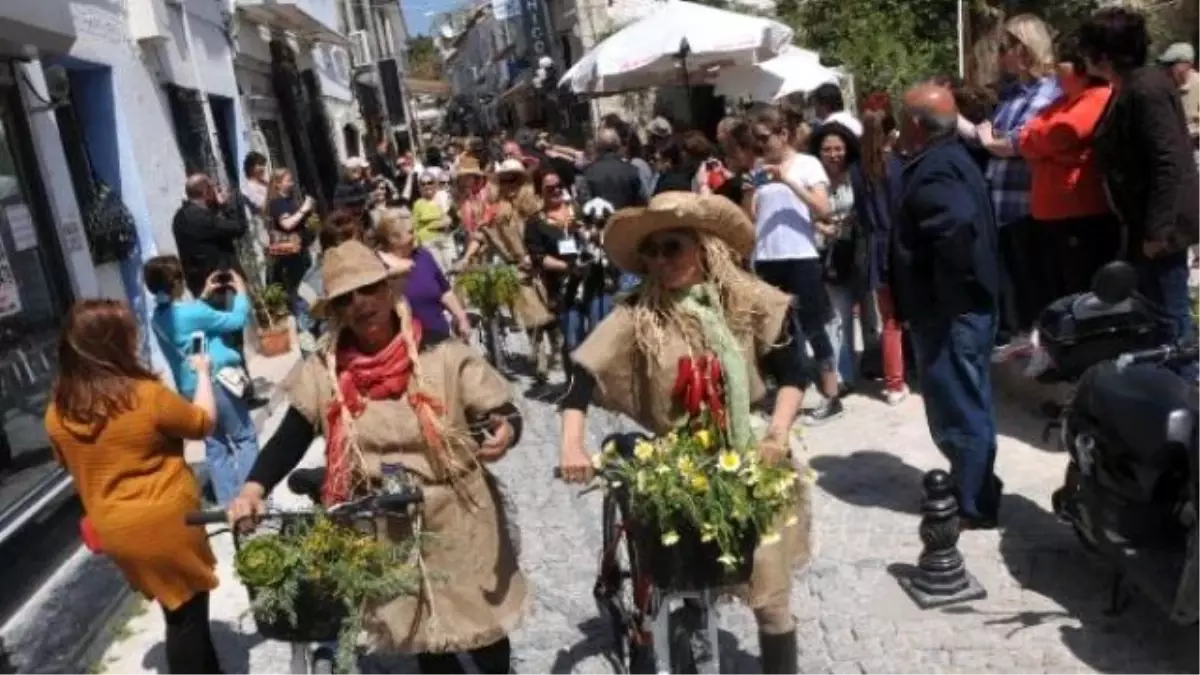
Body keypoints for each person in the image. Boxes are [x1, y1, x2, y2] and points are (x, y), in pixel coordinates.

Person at [226, 241, 526, 673]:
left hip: (457, 510)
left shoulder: (439, 352)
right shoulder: (326, 370)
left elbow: (499, 409)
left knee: (484, 630)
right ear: (335, 311)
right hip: (387, 521)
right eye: (345, 298)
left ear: (389, 291)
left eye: (367, 289)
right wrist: (254, 488)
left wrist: (507, 429)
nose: (360, 304)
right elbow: (292, 432)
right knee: (425, 635)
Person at [557, 192, 811, 675]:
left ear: (704, 247)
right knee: (672, 578)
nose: (658, 261)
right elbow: (580, 376)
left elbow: (794, 372)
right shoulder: (639, 313)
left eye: (670, 247)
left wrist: (776, 436)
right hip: (675, 458)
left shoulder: (750, 301)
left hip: (753, 452)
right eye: (650, 253)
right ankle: (666, 625)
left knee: (771, 596)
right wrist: (572, 443)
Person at [46, 300, 223, 675]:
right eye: (128, 332)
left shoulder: (57, 412)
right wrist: (203, 373)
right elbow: (202, 423)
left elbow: (70, 462)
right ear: (113, 344)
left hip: (117, 530)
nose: (136, 337)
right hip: (166, 520)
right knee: (186, 619)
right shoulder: (144, 395)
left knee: (177, 607)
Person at [892, 84, 1002, 528]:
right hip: (961, 308)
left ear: (916, 124)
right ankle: (978, 489)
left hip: (950, 312)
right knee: (970, 402)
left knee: (958, 408)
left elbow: (953, 230)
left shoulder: (936, 169)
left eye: (904, 117)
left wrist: (939, 296)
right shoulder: (952, 158)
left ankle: (972, 501)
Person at [1081, 7, 1200, 344]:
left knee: (1167, 315)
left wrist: (1157, 233)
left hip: (1161, 229)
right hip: (1139, 223)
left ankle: (1179, 387)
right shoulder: (1127, 88)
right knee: (1152, 313)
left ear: (1102, 54)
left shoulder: (1146, 89)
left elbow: (1169, 161)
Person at [733, 109, 844, 423]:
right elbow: (748, 220)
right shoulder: (758, 168)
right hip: (767, 256)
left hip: (800, 255)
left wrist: (788, 181)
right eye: (755, 141)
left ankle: (831, 396)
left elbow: (822, 208)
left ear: (783, 134)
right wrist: (749, 190)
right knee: (776, 331)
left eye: (764, 139)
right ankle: (788, 394)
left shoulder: (807, 164)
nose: (760, 146)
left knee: (814, 325)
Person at [971, 14, 1061, 353]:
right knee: (1013, 283)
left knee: (1032, 283)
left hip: (1027, 203)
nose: (1000, 55)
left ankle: (1041, 347)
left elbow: (1022, 141)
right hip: (1002, 203)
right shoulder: (1012, 96)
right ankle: (1024, 341)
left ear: (1025, 50)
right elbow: (995, 140)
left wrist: (994, 143)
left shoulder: (1047, 92)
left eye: (1005, 47)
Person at [145, 257, 258, 507]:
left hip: (189, 387)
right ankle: (250, 500)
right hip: (215, 380)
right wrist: (240, 292)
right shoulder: (192, 312)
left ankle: (229, 504)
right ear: (176, 283)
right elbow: (236, 320)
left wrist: (204, 296)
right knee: (244, 437)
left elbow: (190, 321)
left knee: (215, 444)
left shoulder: (158, 318)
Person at [811, 122, 874, 394]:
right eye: (827, 149)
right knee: (839, 316)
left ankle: (870, 363)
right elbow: (805, 210)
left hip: (857, 251)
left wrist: (850, 220)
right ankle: (844, 374)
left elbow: (868, 208)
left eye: (838, 148)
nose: (833, 154)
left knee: (867, 313)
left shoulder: (856, 175)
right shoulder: (812, 178)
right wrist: (821, 226)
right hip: (827, 254)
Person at [851, 110, 908, 404]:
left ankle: (894, 382)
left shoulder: (858, 170)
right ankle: (902, 377)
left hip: (874, 245)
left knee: (889, 318)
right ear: (890, 133)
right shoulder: (897, 167)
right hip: (898, 244)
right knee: (903, 315)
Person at [373, 209, 472, 340]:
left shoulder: (423, 256)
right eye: (411, 232)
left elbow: (445, 292)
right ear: (393, 238)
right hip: (404, 346)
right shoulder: (377, 265)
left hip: (440, 338)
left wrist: (461, 317)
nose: (416, 234)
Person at [172, 174, 247, 301]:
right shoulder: (202, 219)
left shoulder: (180, 217)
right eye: (213, 187)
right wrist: (227, 205)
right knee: (237, 319)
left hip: (200, 285)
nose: (216, 191)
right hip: (222, 284)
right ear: (205, 191)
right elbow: (238, 228)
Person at [265, 168, 316, 331]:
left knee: (307, 289)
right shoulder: (277, 203)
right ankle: (306, 329)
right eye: (288, 180)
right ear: (278, 184)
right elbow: (287, 224)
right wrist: (303, 209)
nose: (292, 182)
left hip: (300, 252)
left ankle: (310, 324)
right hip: (290, 257)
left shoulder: (288, 200)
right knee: (299, 292)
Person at [584, 128, 647, 210]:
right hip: (628, 220)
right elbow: (643, 202)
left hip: (600, 221)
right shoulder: (633, 171)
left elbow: (584, 205)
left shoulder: (587, 172)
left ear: (597, 147)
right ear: (618, 145)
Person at [411, 170, 456, 272]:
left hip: (446, 238)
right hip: (429, 242)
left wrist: (445, 222)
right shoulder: (418, 204)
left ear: (435, 184)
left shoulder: (443, 198)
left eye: (430, 182)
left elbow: (452, 218)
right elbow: (414, 225)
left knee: (452, 269)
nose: (427, 186)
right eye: (423, 184)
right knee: (440, 271)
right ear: (420, 187)